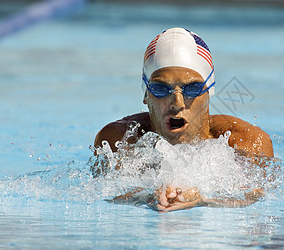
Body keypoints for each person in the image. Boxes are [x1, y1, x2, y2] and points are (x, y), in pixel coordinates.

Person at [94, 27, 273, 212]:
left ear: (209, 91)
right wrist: (146, 196)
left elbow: (258, 194)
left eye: (192, 89)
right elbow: (101, 191)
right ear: (146, 94)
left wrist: (203, 199)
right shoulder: (119, 140)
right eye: (161, 89)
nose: (177, 103)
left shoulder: (245, 141)